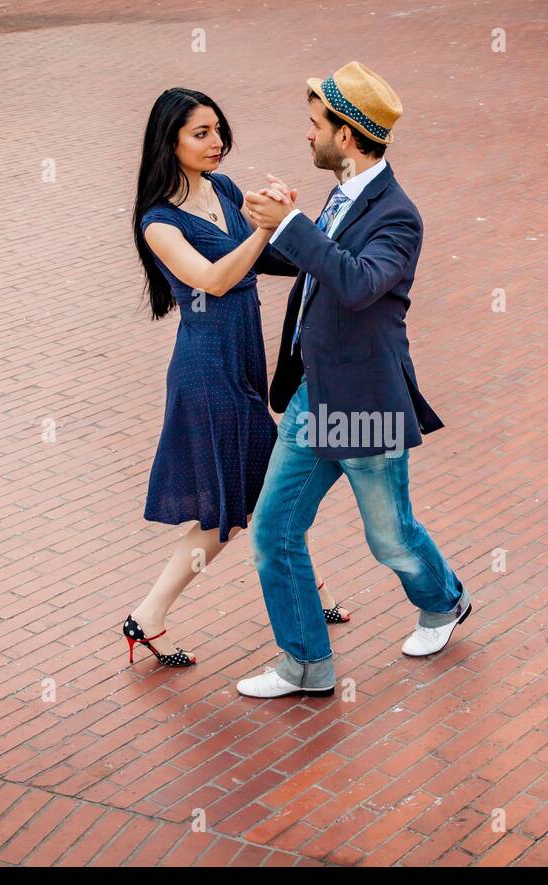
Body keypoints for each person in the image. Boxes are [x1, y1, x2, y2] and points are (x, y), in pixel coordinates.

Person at [234, 62, 472, 698]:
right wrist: (260, 224)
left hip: (367, 404)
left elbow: (359, 282)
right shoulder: (340, 199)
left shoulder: (399, 216)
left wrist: (293, 226)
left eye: (315, 126)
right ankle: (305, 665)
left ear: (347, 135)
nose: (306, 135)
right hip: (314, 398)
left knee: (389, 539)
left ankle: (445, 603)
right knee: (275, 531)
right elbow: (318, 264)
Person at [125, 88, 349, 669]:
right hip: (206, 372)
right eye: (201, 133)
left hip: (244, 362)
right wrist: (263, 230)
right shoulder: (159, 223)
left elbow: (267, 260)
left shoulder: (223, 191)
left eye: (218, 129)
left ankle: (306, 596)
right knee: (236, 507)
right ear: (168, 141)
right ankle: (147, 615)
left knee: (263, 493)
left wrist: (296, 228)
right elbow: (215, 279)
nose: (216, 141)